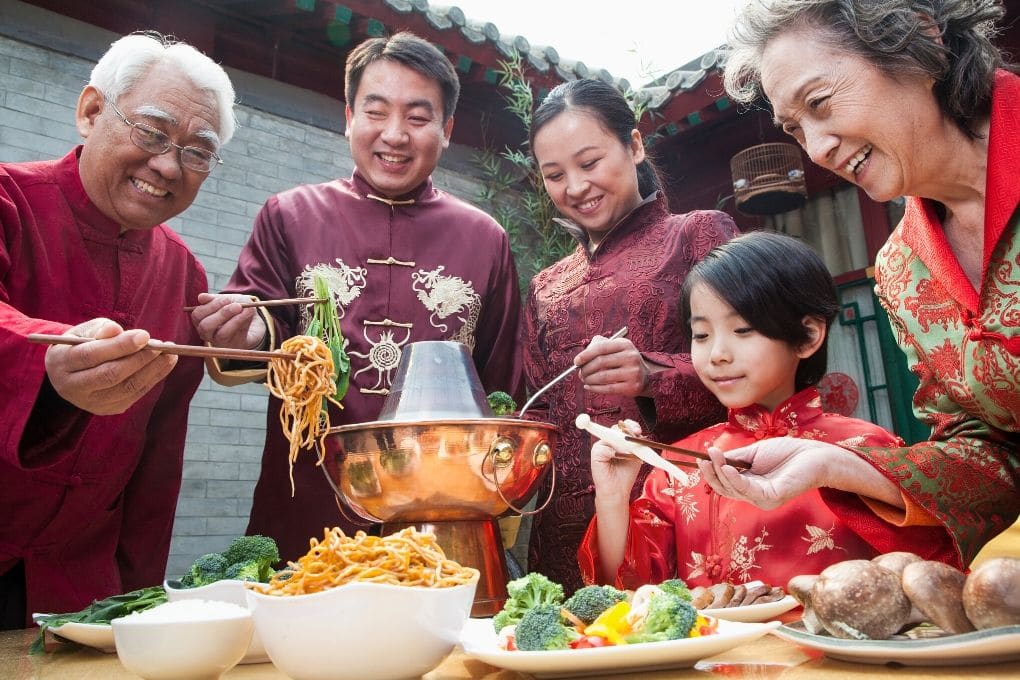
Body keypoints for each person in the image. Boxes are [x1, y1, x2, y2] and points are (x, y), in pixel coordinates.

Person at [189, 32, 523, 563]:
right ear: (348, 117)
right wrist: (247, 331)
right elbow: (256, 316)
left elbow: (505, 389)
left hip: (439, 519)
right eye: (376, 111)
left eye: (418, 117)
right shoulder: (289, 216)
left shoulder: (485, 239)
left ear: (447, 129)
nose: (395, 135)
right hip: (309, 501)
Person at [717, 0, 1018, 568]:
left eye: (820, 103)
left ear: (916, 40)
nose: (817, 148)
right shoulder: (902, 272)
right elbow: (992, 453)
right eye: (795, 127)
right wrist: (832, 462)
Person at [0, 32, 236, 628]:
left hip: (84, 585)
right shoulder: (11, 199)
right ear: (90, 112)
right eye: (152, 132)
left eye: (197, 151)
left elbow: (157, 460)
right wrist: (45, 366)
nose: (166, 165)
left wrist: (137, 601)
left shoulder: (184, 273)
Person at [579, 231, 960, 589]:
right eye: (701, 335)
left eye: (742, 330)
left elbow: (927, 574)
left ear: (808, 335)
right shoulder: (677, 466)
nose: (718, 354)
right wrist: (612, 497)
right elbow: (628, 592)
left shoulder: (867, 450)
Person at [521, 78, 738, 594]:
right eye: (555, 175)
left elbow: (759, 367)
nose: (575, 187)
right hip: (565, 532)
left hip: (678, 509)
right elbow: (537, 411)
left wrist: (650, 375)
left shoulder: (697, 234)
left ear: (634, 145)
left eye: (589, 163)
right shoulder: (545, 286)